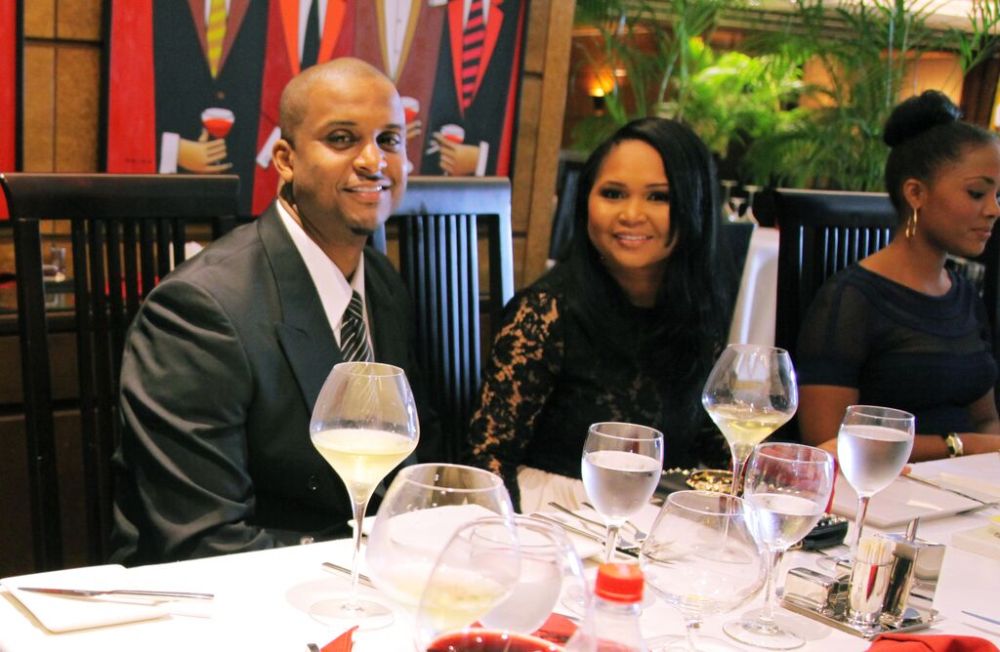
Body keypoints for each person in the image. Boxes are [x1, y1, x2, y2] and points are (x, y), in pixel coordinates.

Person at [111, 57, 441, 565]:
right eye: (342, 139)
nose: (373, 161)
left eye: (390, 140)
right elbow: (204, 542)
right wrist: (366, 568)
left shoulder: (383, 284)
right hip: (230, 585)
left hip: (368, 575)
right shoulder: (198, 309)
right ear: (285, 159)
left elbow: (406, 473)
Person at [464, 117, 731, 512]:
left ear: (697, 204)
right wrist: (512, 537)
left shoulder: (698, 308)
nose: (631, 214)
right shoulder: (544, 313)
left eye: (658, 197)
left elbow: (710, 438)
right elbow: (488, 457)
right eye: (613, 193)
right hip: (554, 514)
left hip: (657, 517)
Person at [797, 90, 1000, 460]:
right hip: (882, 489)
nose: (993, 210)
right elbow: (828, 443)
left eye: (998, 196)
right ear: (916, 193)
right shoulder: (851, 299)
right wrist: (960, 446)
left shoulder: (964, 296)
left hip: (966, 486)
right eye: (977, 193)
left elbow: (986, 422)